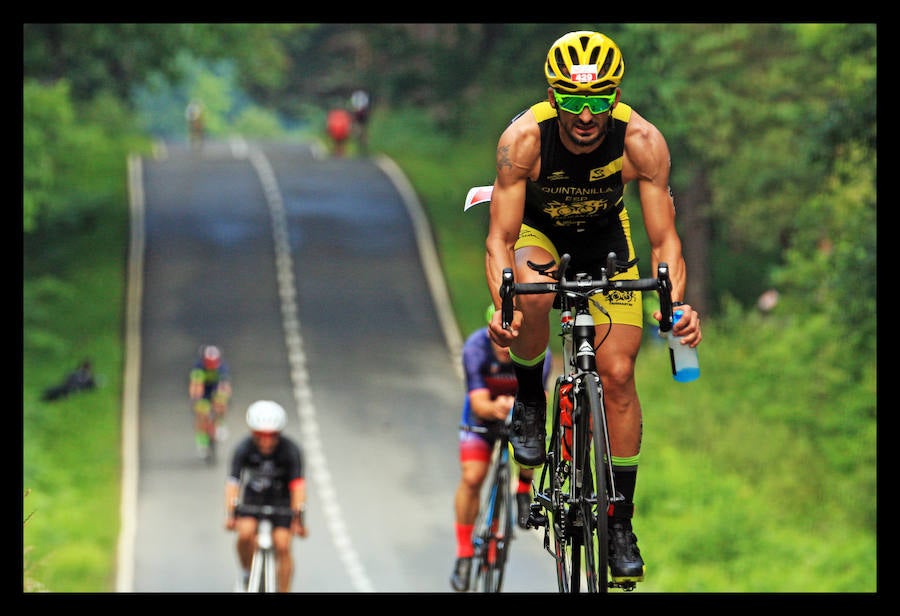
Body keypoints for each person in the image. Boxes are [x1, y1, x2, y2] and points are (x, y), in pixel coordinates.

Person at [484, 30, 703, 584]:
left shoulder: (642, 141)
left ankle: (620, 519)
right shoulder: (524, 141)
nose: (586, 115)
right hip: (541, 231)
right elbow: (500, 241)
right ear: (554, 97)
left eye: (599, 100)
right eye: (573, 101)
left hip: (607, 240)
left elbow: (665, 242)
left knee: (620, 373)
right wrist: (505, 306)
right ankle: (531, 402)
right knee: (532, 289)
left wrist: (675, 307)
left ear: (617, 95)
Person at [450, 305, 552, 592]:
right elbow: (479, 402)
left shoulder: (536, 350)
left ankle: (522, 491)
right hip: (482, 420)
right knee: (472, 478)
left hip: (519, 418)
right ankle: (464, 554)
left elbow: (541, 399)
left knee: (532, 435)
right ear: (491, 331)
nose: (506, 346)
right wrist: (499, 407)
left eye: (513, 338)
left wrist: (515, 408)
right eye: (500, 338)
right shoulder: (475, 348)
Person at [225, 400, 307, 592]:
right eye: (260, 436)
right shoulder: (243, 449)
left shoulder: (290, 451)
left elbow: (298, 487)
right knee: (245, 533)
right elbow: (232, 484)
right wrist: (231, 515)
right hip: (253, 499)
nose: (266, 442)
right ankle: (246, 572)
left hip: (281, 500)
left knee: (283, 543)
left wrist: (298, 518)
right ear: (253, 434)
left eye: (271, 436)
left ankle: (284, 589)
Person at [189, 345, 232, 457]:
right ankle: (201, 441)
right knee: (201, 414)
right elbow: (195, 385)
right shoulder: (199, 367)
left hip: (215, 389)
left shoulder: (222, 368)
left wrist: (224, 397)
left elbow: (225, 385)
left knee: (221, 402)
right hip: (203, 391)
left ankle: (220, 424)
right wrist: (195, 398)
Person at [349, 89, 371, 154]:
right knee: (362, 129)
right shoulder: (362, 96)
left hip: (361, 116)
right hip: (361, 116)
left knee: (360, 128)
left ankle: (363, 139)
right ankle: (363, 139)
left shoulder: (356, 96)